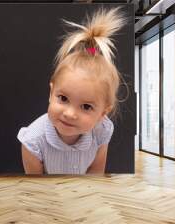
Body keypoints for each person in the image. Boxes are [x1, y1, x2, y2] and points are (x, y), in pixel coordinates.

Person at [17, 8, 126, 174]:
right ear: (51, 93)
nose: (70, 113)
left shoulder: (101, 131)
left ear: (103, 112)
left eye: (86, 107)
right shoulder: (33, 140)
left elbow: (95, 176)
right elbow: (36, 190)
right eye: (63, 98)